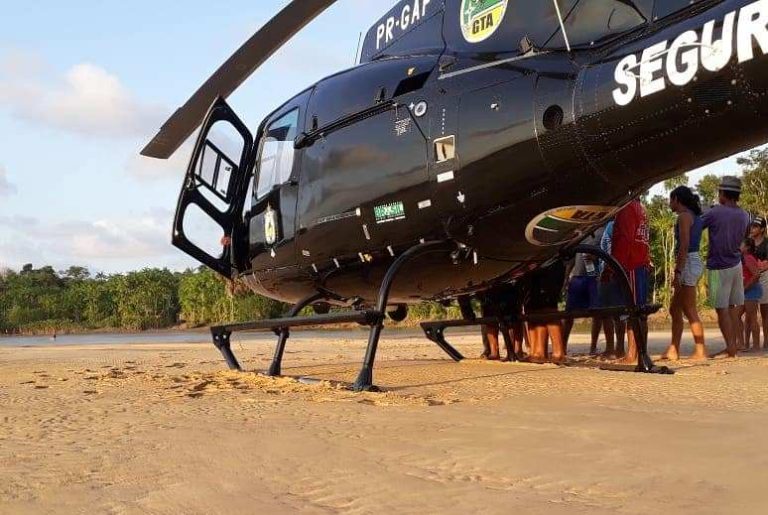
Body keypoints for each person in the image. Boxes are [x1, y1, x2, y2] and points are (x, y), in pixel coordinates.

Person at [702, 176, 751, 357]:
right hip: (736, 264)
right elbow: (745, 238)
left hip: (718, 266)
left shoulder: (715, 212)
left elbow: (698, 223)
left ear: (723, 193)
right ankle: (734, 344)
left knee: (721, 309)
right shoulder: (744, 215)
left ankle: (730, 347)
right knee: (732, 307)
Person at [663, 186, 706, 360]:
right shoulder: (693, 216)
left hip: (688, 261)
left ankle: (701, 350)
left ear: (676, 200)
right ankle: (674, 349)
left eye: (670, 199)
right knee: (675, 309)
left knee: (688, 309)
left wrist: (678, 271)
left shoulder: (684, 216)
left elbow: (684, 245)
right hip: (691, 260)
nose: (669, 203)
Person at [610, 199, 651, 364]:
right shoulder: (641, 209)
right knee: (640, 311)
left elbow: (626, 239)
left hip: (631, 264)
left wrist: (615, 266)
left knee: (633, 310)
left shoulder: (626, 208)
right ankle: (641, 352)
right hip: (640, 263)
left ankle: (633, 353)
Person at [563, 229, 603, 355]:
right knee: (569, 313)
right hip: (578, 276)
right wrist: (566, 277)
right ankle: (562, 345)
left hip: (594, 276)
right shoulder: (581, 230)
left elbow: (607, 250)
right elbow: (572, 258)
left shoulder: (603, 230)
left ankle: (593, 347)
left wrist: (595, 256)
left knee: (597, 313)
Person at [522, 261, 567, 364]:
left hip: (549, 262)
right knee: (534, 307)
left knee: (548, 307)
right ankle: (538, 351)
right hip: (534, 265)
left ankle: (558, 352)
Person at [598, 220, 626, 358]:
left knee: (612, 312)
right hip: (616, 270)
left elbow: (613, 249)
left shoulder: (612, 225)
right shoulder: (619, 224)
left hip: (611, 271)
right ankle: (616, 347)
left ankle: (615, 348)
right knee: (615, 312)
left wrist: (607, 270)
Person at [738, 238, 762, 351]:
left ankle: (756, 345)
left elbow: (756, 275)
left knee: (752, 318)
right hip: (744, 291)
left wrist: (745, 288)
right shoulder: (742, 258)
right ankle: (741, 343)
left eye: (741, 244)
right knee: (736, 316)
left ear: (747, 247)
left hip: (751, 291)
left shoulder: (748, 258)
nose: (739, 246)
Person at [748, 215, 768, 350]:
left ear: (762, 229)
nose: (752, 228)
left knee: (765, 312)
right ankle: (748, 342)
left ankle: (766, 341)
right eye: (752, 226)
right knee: (750, 312)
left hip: (764, 278)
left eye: (755, 226)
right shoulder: (747, 243)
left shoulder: (767, 244)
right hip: (750, 280)